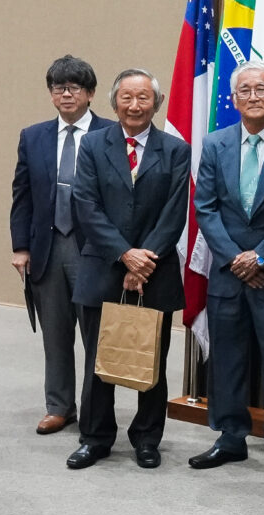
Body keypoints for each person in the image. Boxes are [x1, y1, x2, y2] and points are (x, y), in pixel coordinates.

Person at [67, 68, 191, 469]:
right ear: (114, 102)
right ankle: (96, 437)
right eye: (127, 97)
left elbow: (174, 215)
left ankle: (147, 438)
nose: (135, 105)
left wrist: (143, 260)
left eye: (144, 98)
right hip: (103, 267)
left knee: (151, 358)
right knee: (98, 360)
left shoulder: (175, 149)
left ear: (156, 103)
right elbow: (86, 206)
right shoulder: (92, 145)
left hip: (156, 271)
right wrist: (124, 255)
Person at [187, 61, 264, 479]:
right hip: (227, 272)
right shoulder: (216, 143)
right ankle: (230, 438)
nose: (253, 97)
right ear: (233, 100)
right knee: (228, 361)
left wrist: (261, 257)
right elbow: (206, 207)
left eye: (261, 89)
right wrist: (236, 258)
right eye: (245, 91)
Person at [9, 55, 113, 436]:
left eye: (74, 88)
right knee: (55, 334)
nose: (66, 94)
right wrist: (21, 247)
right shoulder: (33, 136)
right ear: (51, 94)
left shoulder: (111, 133)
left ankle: (96, 411)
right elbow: (22, 196)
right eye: (58, 88)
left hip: (95, 250)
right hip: (48, 247)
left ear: (90, 93)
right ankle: (59, 406)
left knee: (95, 333)